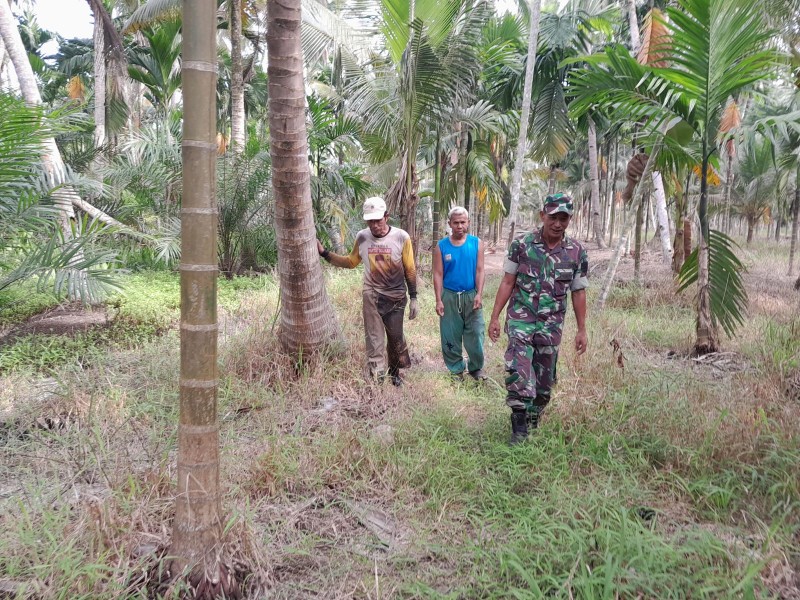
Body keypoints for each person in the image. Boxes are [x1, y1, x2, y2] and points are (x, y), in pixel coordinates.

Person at [488, 193, 588, 444]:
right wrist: (495, 317)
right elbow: (508, 281)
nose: (557, 223)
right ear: (543, 215)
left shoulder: (576, 252)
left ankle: (534, 418)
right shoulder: (521, 245)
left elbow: (578, 291)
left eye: (563, 218)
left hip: (551, 325)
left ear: (569, 219)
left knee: (544, 383)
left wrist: (582, 329)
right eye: (553, 217)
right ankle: (519, 424)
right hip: (521, 319)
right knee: (519, 369)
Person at [317, 196, 419, 386]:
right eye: (370, 221)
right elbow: (351, 261)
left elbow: (410, 269)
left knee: (396, 337)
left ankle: (395, 374)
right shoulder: (362, 237)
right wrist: (325, 254)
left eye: (378, 220)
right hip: (372, 295)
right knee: (374, 338)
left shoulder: (401, 237)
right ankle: (378, 376)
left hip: (396, 296)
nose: (374, 225)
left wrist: (413, 297)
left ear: (386, 217)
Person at [433, 207, 486, 381]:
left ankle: (476, 368)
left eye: (463, 222)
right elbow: (438, 274)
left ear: (468, 223)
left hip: (471, 295)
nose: (459, 226)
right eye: (456, 222)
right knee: (450, 334)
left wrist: (479, 294)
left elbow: (479, 270)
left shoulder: (476, 243)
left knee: (476, 333)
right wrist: (438, 299)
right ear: (449, 224)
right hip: (449, 296)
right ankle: (456, 370)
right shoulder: (441, 246)